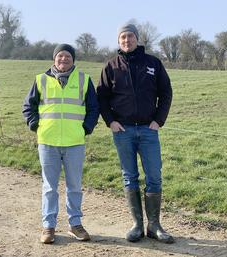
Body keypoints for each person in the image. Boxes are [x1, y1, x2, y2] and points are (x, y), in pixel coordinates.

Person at [97, 23, 174, 244]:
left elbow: (166, 92)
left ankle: (154, 225)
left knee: (154, 176)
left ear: (137, 39)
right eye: (122, 37)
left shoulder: (153, 63)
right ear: (118, 40)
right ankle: (137, 225)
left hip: (149, 131)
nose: (126, 41)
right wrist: (110, 121)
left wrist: (158, 121)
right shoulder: (111, 66)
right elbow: (101, 97)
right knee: (129, 176)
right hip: (123, 131)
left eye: (130, 36)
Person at [23, 44, 99, 244]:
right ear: (54, 59)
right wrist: (35, 125)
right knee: (49, 187)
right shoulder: (41, 80)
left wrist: (86, 128)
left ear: (73, 60)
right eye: (60, 56)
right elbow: (28, 106)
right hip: (48, 142)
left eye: (67, 57)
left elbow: (94, 108)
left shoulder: (84, 80)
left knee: (74, 186)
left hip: (75, 142)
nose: (63, 60)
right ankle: (48, 227)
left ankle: (75, 225)